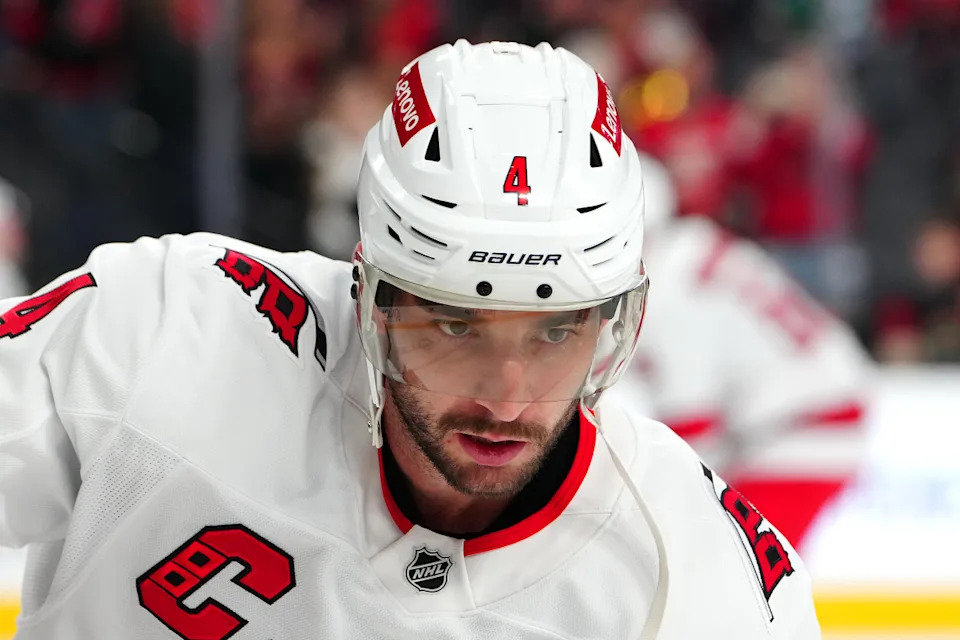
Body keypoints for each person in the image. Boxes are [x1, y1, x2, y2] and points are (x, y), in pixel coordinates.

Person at [0, 41, 820, 638]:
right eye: (457, 324)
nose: (507, 396)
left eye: (556, 330)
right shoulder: (167, 332)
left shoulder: (698, 574)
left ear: (615, 324)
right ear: (372, 298)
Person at [610, 152, 873, 549]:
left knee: (731, 570)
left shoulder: (666, 288)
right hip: (814, 413)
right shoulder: (693, 247)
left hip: (801, 429)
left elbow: (693, 426)